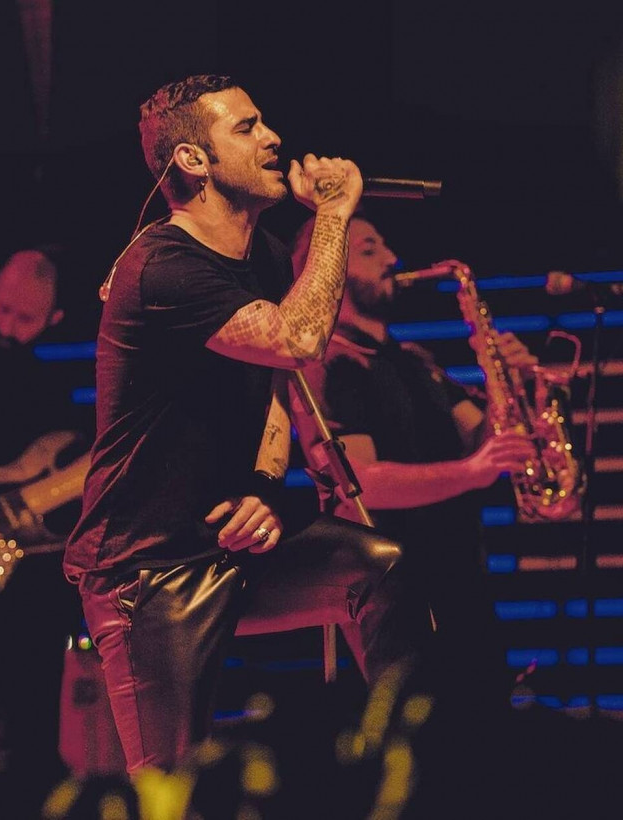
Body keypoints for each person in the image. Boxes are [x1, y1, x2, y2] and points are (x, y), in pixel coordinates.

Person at [63, 74, 434, 776]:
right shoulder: (163, 267)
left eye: (264, 122)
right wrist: (333, 216)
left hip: (227, 544)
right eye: (247, 127)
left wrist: (264, 487)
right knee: (171, 789)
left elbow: (274, 390)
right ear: (193, 160)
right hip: (148, 572)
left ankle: (405, 764)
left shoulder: (258, 255)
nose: (273, 138)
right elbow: (296, 341)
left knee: (379, 568)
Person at [289, 213, 540, 709]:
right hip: (395, 587)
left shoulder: (415, 361)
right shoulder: (329, 364)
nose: (391, 258)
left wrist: (508, 383)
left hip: (461, 573)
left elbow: (483, 440)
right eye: (369, 249)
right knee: (417, 732)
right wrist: (471, 472)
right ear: (327, 268)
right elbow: (360, 484)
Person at [0, 246, 88, 816]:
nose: (7, 326)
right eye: (4, 309)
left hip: (21, 577)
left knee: (29, 727)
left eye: (25, 318)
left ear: (53, 319)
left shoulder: (50, 390)